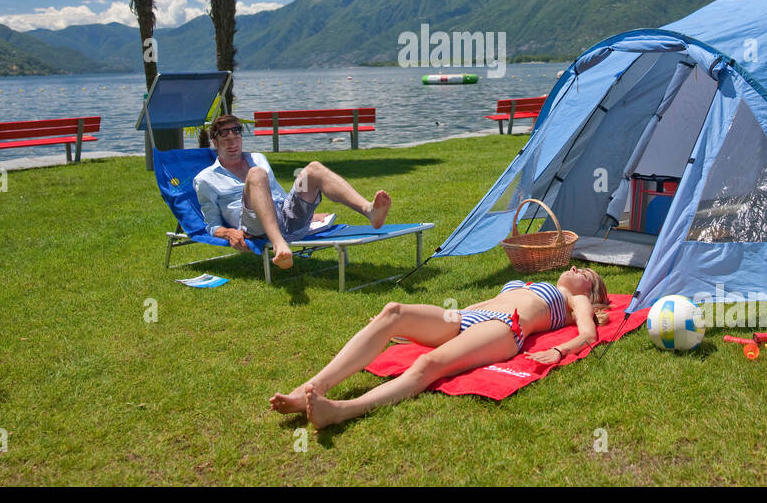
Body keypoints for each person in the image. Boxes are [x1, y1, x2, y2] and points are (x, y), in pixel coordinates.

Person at [270, 266, 611, 429]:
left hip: (505, 328)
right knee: (393, 313)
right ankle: (311, 388)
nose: (577, 268)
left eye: (587, 273)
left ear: (592, 291)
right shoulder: (535, 282)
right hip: (469, 316)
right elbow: (485, 301)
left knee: (428, 364)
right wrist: (411, 331)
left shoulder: (576, 299)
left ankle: (340, 410)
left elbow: (588, 335)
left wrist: (561, 351)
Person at [194, 114, 391, 270]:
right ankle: (279, 245)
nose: (232, 143)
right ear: (215, 141)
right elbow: (212, 225)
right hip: (254, 228)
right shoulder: (206, 179)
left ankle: (369, 210)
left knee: (313, 169)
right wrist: (229, 233)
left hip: (285, 218)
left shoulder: (258, 158)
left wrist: (307, 212)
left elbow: (278, 195)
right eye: (225, 139)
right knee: (256, 175)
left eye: (236, 137)